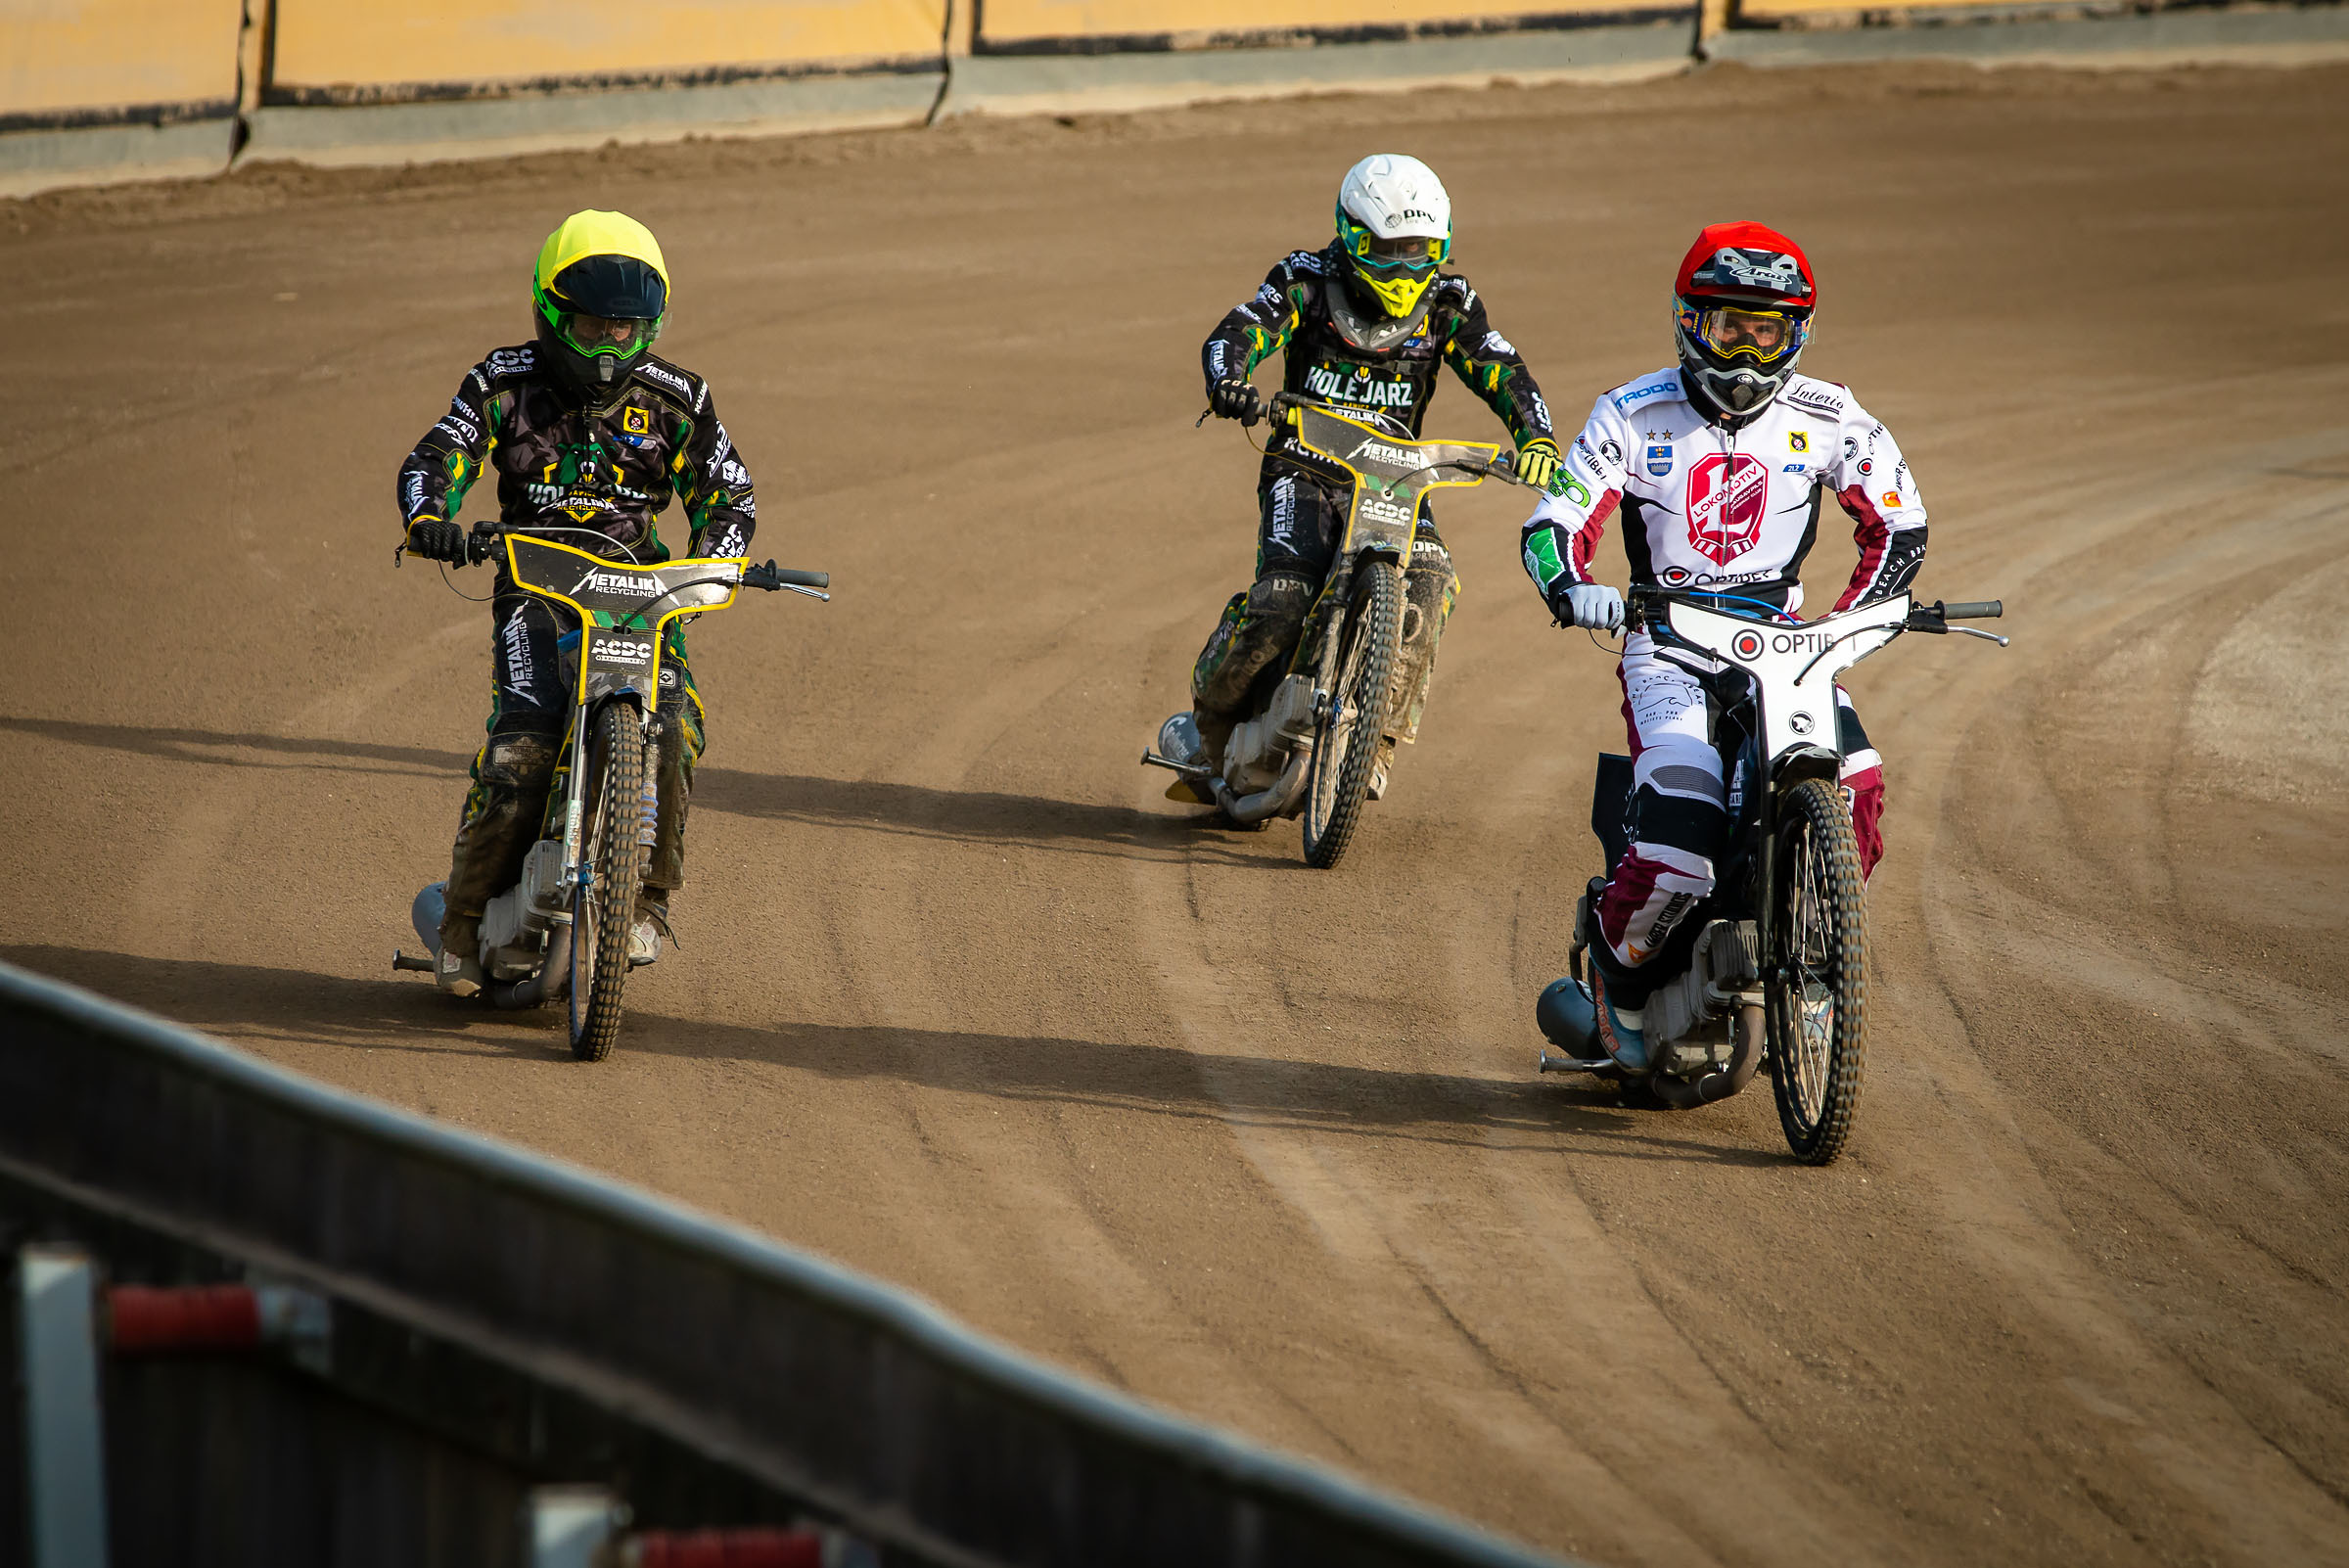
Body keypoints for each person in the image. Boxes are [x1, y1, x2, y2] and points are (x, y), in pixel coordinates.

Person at [1520, 220, 1925, 1069]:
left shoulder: (1832, 414)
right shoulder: (1629, 412)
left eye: (1765, 330)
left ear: (1796, 335)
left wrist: (1842, 627)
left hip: (1786, 643)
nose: (1745, 351)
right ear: (1688, 322)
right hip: (1666, 642)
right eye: (1727, 326)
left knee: (1854, 790)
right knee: (1680, 839)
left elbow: (1900, 524)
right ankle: (1614, 973)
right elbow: (1552, 522)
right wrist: (1573, 588)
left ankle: (1814, 973)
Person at [395, 209, 757, 996]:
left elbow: (730, 493)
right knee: (522, 751)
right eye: (591, 326)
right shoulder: (502, 381)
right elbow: (439, 453)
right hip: (537, 587)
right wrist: (432, 520)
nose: (607, 347)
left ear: (652, 324)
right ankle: (460, 920)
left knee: (675, 730)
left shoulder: (681, 399)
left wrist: (721, 564)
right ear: (550, 311)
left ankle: (641, 900)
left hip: (642, 594)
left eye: (625, 331)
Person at [1162, 153, 1562, 804]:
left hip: (1398, 478)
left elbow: (1501, 366)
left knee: (1431, 583)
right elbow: (1241, 329)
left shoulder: (1450, 302)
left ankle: (1376, 742)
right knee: (1284, 597)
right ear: (1352, 237)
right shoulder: (1305, 280)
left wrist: (1536, 437)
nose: (1407, 268)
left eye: (1421, 252)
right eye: (1389, 251)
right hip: (1305, 466)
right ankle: (1207, 726)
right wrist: (1229, 381)